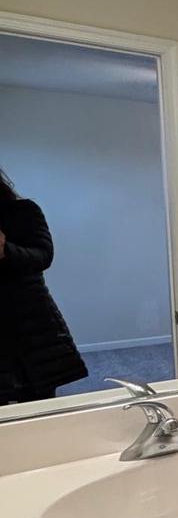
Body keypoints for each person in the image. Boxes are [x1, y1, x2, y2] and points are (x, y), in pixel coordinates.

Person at [0, 168, 87, 403]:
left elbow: (43, 256)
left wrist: (5, 250)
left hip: (29, 323)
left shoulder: (22, 211)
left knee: (39, 405)